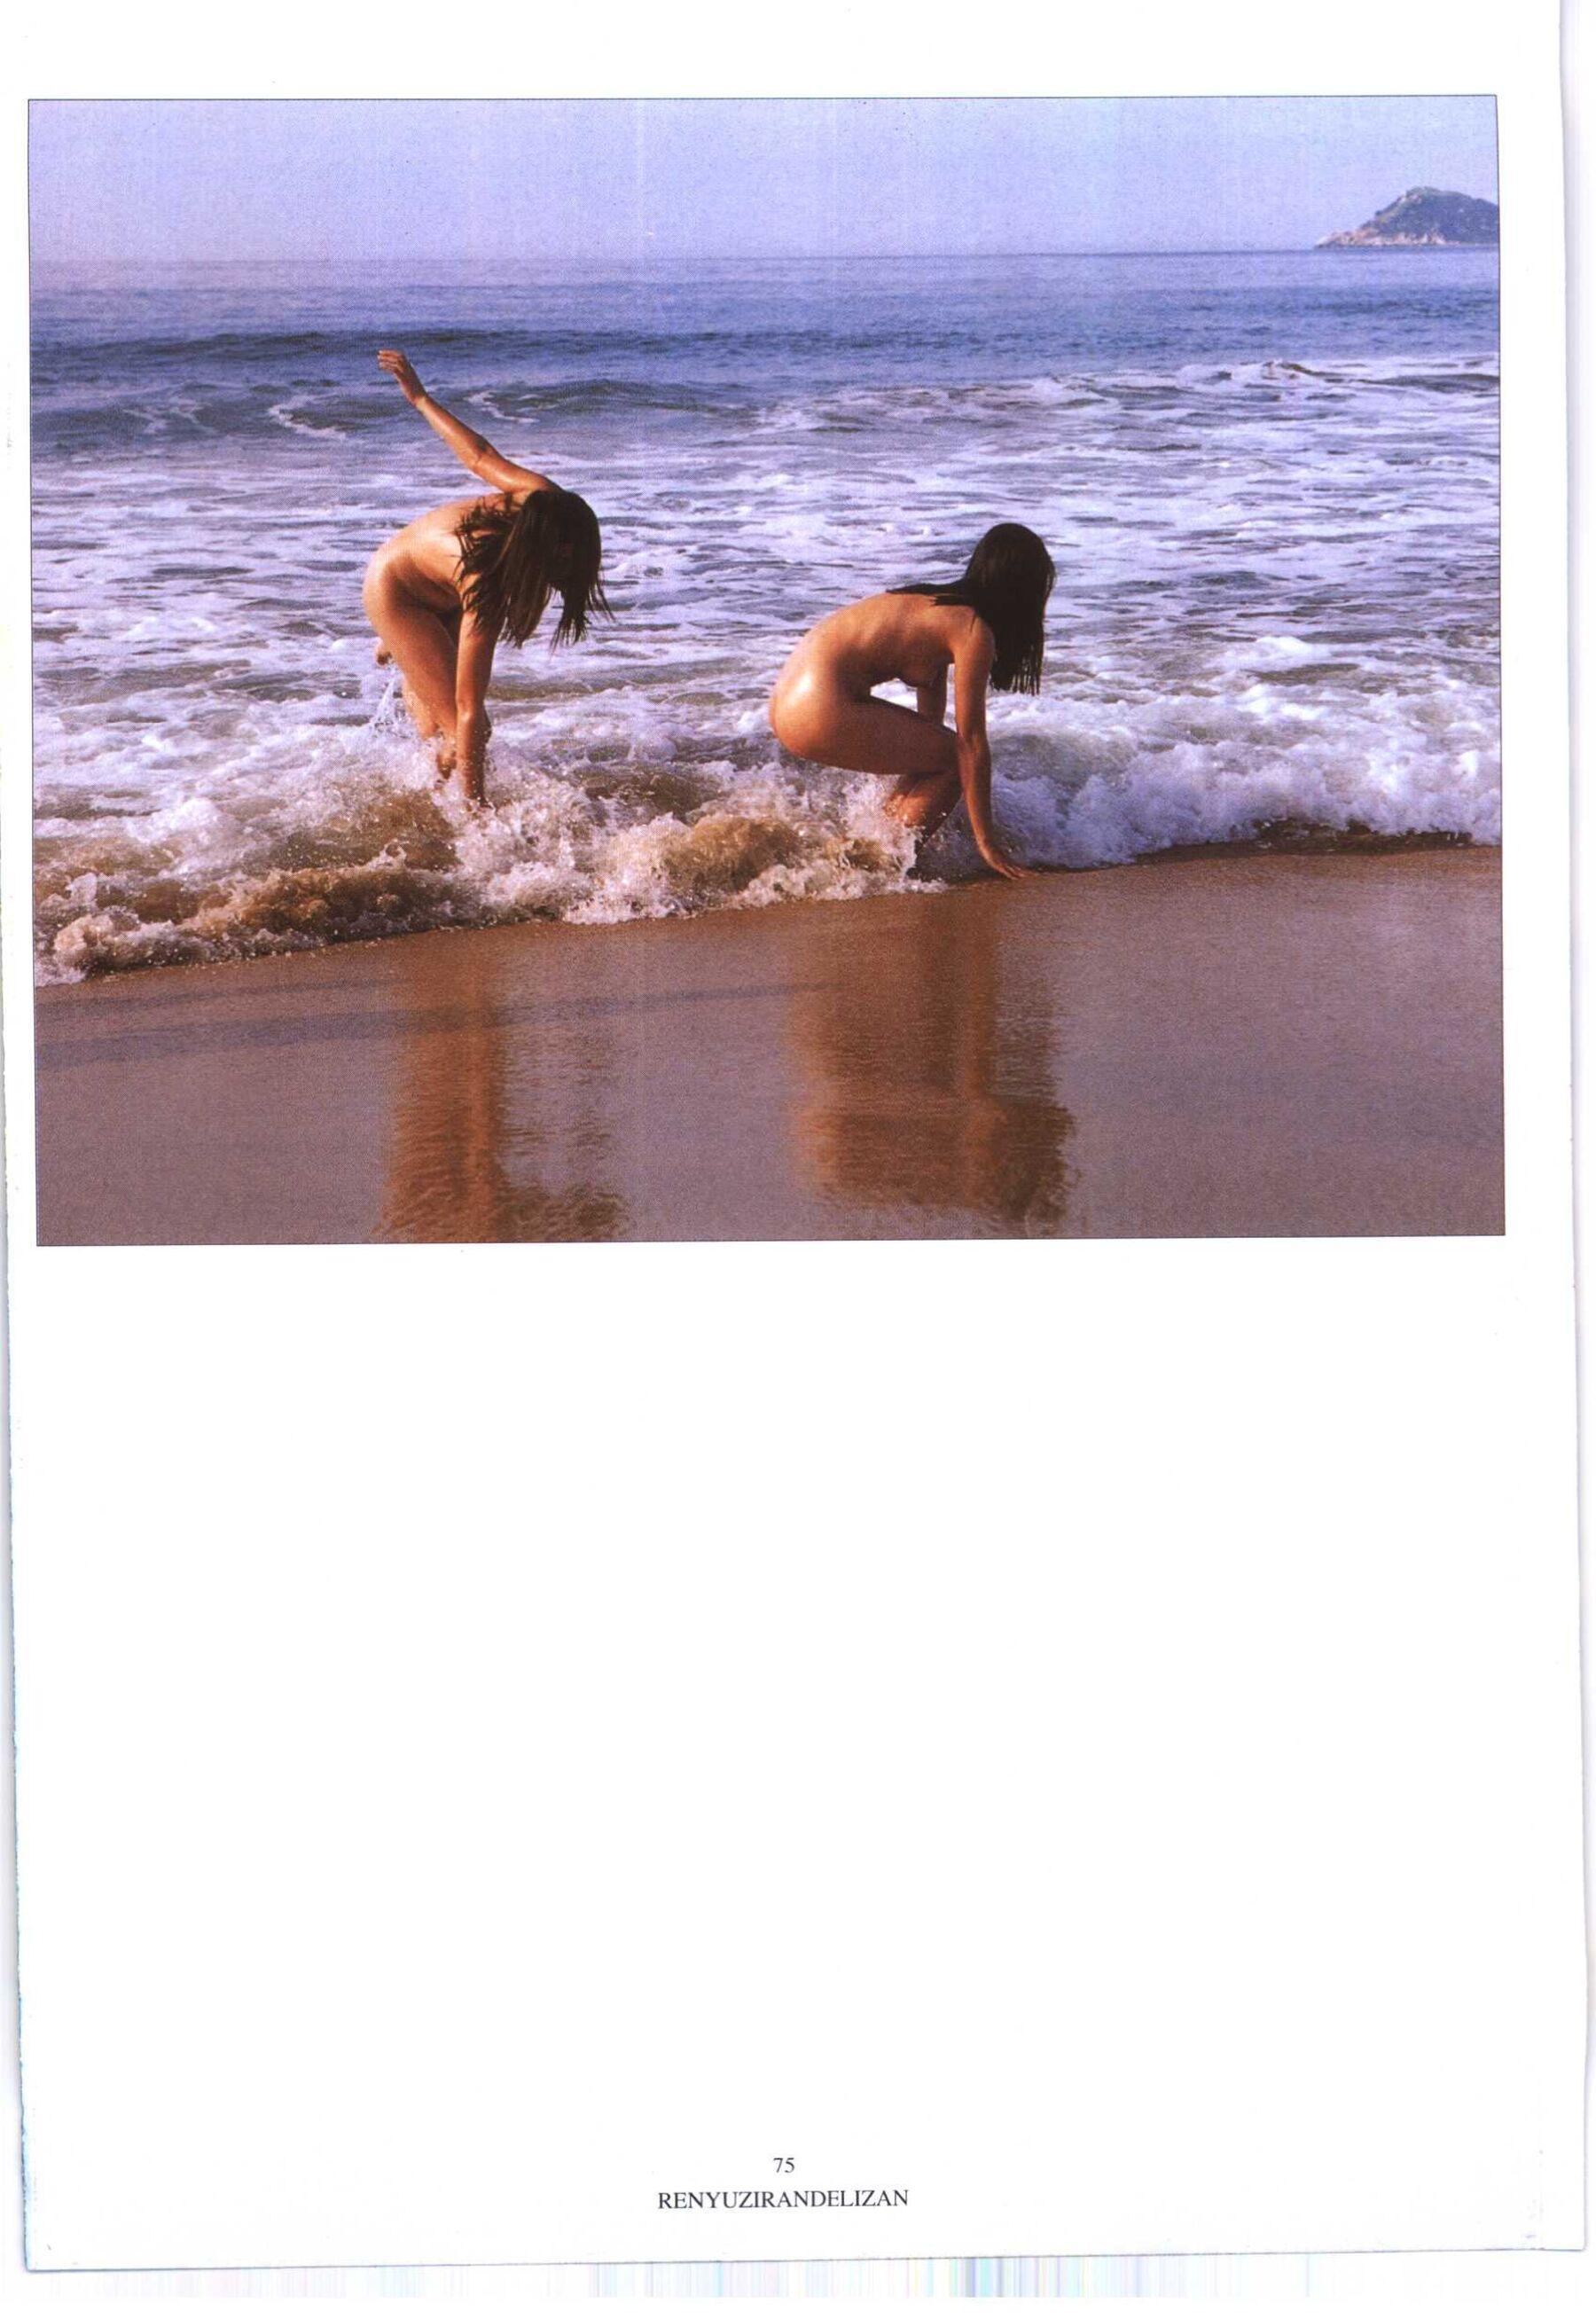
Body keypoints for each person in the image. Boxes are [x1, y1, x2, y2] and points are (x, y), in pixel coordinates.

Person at [364, 349, 610, 803]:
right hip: (399, 591)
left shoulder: (546, 501)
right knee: (459, 734)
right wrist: (478, 808)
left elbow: (479, 456)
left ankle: (409, 651)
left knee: (448, 736)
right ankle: (447, 811)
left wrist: (421, 399)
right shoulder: (485, 583)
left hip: (440, 582)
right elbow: (470, 709)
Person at [768, 523, 1054, 881]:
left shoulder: (935, 606)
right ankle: (883, 866)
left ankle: (862, 855)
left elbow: (928, 735)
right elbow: (971, 743)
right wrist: (987, 844)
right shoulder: (972, 629)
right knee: (956, 758)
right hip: (817, 704)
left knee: (938, 756)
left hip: (791, 699)